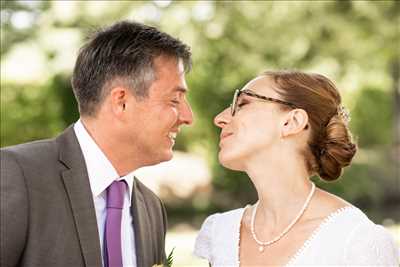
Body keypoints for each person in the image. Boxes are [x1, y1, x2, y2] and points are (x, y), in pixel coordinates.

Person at [1, 21, 193, 267]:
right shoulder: (15, 175)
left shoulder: (152, 208)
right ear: (121, 101)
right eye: (175, 100)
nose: (188, 117)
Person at [194, 70, 399, 266]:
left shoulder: (356, 240)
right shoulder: (221, 233)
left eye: (244, 103)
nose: (219, 118)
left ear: (292, 122)